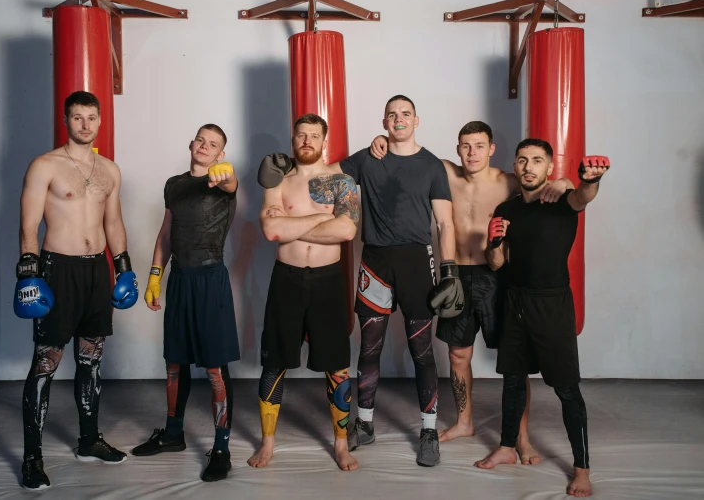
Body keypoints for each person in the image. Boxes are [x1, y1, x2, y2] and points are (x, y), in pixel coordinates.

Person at [259, 96, 462, 467]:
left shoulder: (433, 165)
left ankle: (429, 430)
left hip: (418, 259)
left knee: (421, 351)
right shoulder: (364, 158)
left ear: (417, 119)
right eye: (392, 115)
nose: (398, 120)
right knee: (369, 348)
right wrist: (287, 164)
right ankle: (364, 424)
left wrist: (448, 268)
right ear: (384, 121)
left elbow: (446, 223)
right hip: (375, 260)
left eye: (405, 114)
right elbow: (318, 168)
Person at [369, 122, 573, 464]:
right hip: (457, 275)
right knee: (458, 356)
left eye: (479, 146)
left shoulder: (508, 181)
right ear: (457, 148)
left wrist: (565, 182)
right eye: (465, 146)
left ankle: (520, 437)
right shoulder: (445, 172)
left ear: (491, 149)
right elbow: (409, 151)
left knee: (515, 363)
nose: (472, 153)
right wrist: (383, 139)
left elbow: (548, 186)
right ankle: (465, 422)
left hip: (498, 276)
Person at [14, 91, 138, 491]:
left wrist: (124, 270)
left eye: (91, 117)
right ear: (66, 120)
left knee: (92, 358)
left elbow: (114, 223)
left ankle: (89, 440)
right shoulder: (44, 165)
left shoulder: (110, 170)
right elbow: (29, 225)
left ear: (100, 121)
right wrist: (29, 274)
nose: (85, 124)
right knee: (46, 363)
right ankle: (32, 457)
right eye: (77, 118)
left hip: (96, 272)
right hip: (57, 270)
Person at [474, 138, 610, 498]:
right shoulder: (506, 208)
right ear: (515, 167)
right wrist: (492, 243)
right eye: (522, 160)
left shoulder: (562, 202)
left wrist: (589, 179)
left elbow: (584, 197)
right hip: (514, 301)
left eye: (537, 160)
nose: (528, 166)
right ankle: (506, 447)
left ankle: (581, 469)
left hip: (551, 304)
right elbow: (497, 264)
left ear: (550, 168)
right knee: (513, 378)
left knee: (566, 388)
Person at [248, 113, 360, 471]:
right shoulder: (276, 181)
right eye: (301, 135)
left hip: (328, 280)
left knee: (337, 365)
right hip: (287, 279)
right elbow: (270, 231)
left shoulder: (343, 182)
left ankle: (341, 445)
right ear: (293, 139)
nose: (308, 141)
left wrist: (290, 226)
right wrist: (322, 220)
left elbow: (346, 232)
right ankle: (267, 443)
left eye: (314, 135)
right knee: (274, 361)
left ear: (324, 142)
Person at [130, 124, 240, 483]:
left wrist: (225, 175)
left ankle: (221, 448)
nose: (205, 147)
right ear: (192, 144)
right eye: (202, 140)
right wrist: (154, 276)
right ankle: (173, 433)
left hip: (210, 280)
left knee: (213, 368)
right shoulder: (174, 184)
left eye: (214, 145)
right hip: (179, 279)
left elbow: (230, 184)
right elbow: (166, 232)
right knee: (174, 363)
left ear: (221, 154)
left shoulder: (222, 180)